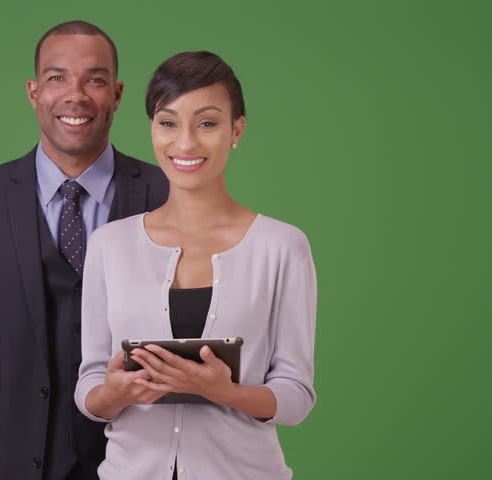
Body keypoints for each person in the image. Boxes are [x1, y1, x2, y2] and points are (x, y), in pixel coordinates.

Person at [0, 21, 169, 480]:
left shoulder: (168, 195)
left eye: (95, 80)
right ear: (34, 92)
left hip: (138, 465)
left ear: (117, 94)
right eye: (57, 78)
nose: (76, 96)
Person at [74, 51, 317, 479]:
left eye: (207, 123)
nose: (185, 143)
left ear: (236, 129)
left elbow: (296, 396)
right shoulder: (109, 245)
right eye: (168, 123)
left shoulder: (283, 247)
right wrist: (114, 394)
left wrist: (226, 392)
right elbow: (90, 385)